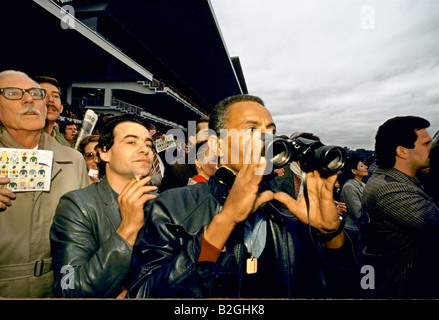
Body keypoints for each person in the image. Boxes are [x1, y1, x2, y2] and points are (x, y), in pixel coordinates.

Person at [127, 94, 359, 298]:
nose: (267, 141)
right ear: (217, 146)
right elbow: (143, 294)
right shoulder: (171, 206)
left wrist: (331, 236)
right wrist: (223, 223)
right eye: (252, 130)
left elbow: (342, 290)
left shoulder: (289, 208)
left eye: (271, 132)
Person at [0, 70, 88, 297]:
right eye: (13, 93)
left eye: (34, 93)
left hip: (58, 283)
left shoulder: (73, 160)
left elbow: (83, 235)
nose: (29, 99)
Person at [50, 114, 157, 298]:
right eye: (131, 142)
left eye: (149, 145)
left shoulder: (161, 203)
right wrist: (127, 230)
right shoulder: (77, 206)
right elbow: (69, 288)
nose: (144, 150)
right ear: (104, 152)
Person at [360, 116, 439, 298]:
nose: (432, 149)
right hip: (400, 289)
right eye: (426, 144)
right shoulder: (390, 190)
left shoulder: (393, 180)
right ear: (402, 151)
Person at [33, 76, 70, 147]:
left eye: (55, 96)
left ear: (61, 108)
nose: (50, 99)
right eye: (42, 94)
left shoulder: (67, 149)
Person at [340, 155, 368, 231]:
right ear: (354, 171)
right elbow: (358, 214)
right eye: (362, 166)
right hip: (354, 230)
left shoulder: (363, 184)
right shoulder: (349, 187)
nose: (366, 167)